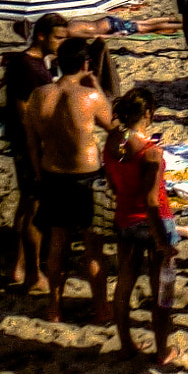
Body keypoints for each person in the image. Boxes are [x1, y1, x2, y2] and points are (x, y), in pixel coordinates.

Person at [22, 37, 115, 325]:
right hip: (85, 174)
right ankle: (100, 308)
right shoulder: (89, 96)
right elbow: (111, 124)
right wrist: (96, 83)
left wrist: (39, 173)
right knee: (92, 247)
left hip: (52, 172)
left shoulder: (39, 95)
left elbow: (32, 141)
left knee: (58, 244)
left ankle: (54, 308)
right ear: (86, 63)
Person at [104, 88, 180, 369]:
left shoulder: (113, 142)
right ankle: (163, 350)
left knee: (124, 283)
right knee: (162, 290)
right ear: (148, 113)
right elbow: (151, 200)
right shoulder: (151, 153)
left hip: (124, 218)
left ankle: (126, 345)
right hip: (152, 221)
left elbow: (112, 184)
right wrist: (162, 240)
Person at [0, 13, 67, 291]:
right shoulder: (29, 68)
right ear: (41, 35)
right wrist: (37, 156)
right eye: (58, 37)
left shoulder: (31, 64)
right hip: (31, 147)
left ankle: (17, 267)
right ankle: (32, 275)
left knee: (26, 206)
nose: (62, 43)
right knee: (34, 211)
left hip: (26, 144)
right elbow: (26, 116)